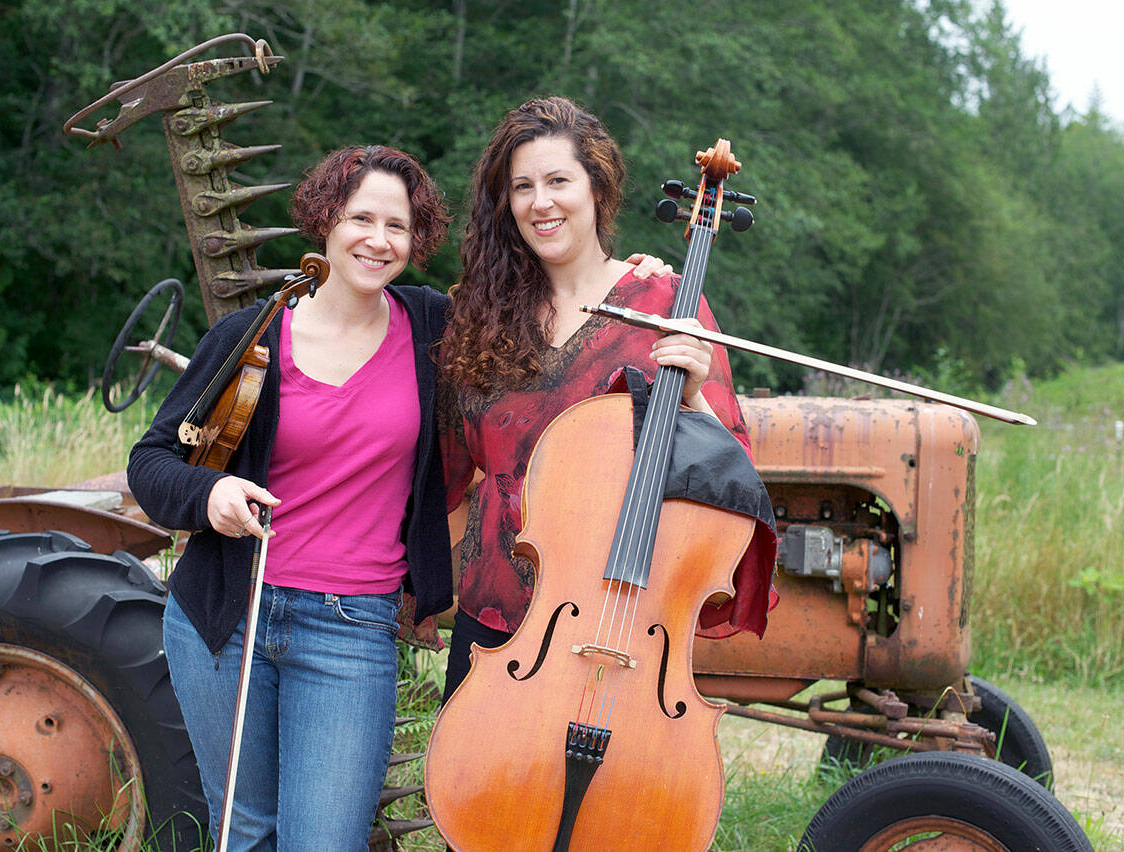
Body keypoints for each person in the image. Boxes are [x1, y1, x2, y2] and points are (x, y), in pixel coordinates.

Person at [127, 144, 454, 851]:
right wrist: (209, 492)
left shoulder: (432, 329)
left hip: (352, 626)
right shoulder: (252, 335)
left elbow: (528, 322)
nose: (378, 239)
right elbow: (152, 462)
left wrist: (631, 277)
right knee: (244, 831)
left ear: (416, 239)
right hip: (226, 618)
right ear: (326, 220)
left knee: (323, 842)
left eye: (397, 226)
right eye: (361, 217)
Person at [436, 96, 777, 701]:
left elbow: (727, 476)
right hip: (490, 619)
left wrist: (693, 399)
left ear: (598, 188)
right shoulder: (480, 315)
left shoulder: (666, 307)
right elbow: (448, 469)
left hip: (611, 621)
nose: (540, 202)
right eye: (522, 187)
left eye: (558, 180)